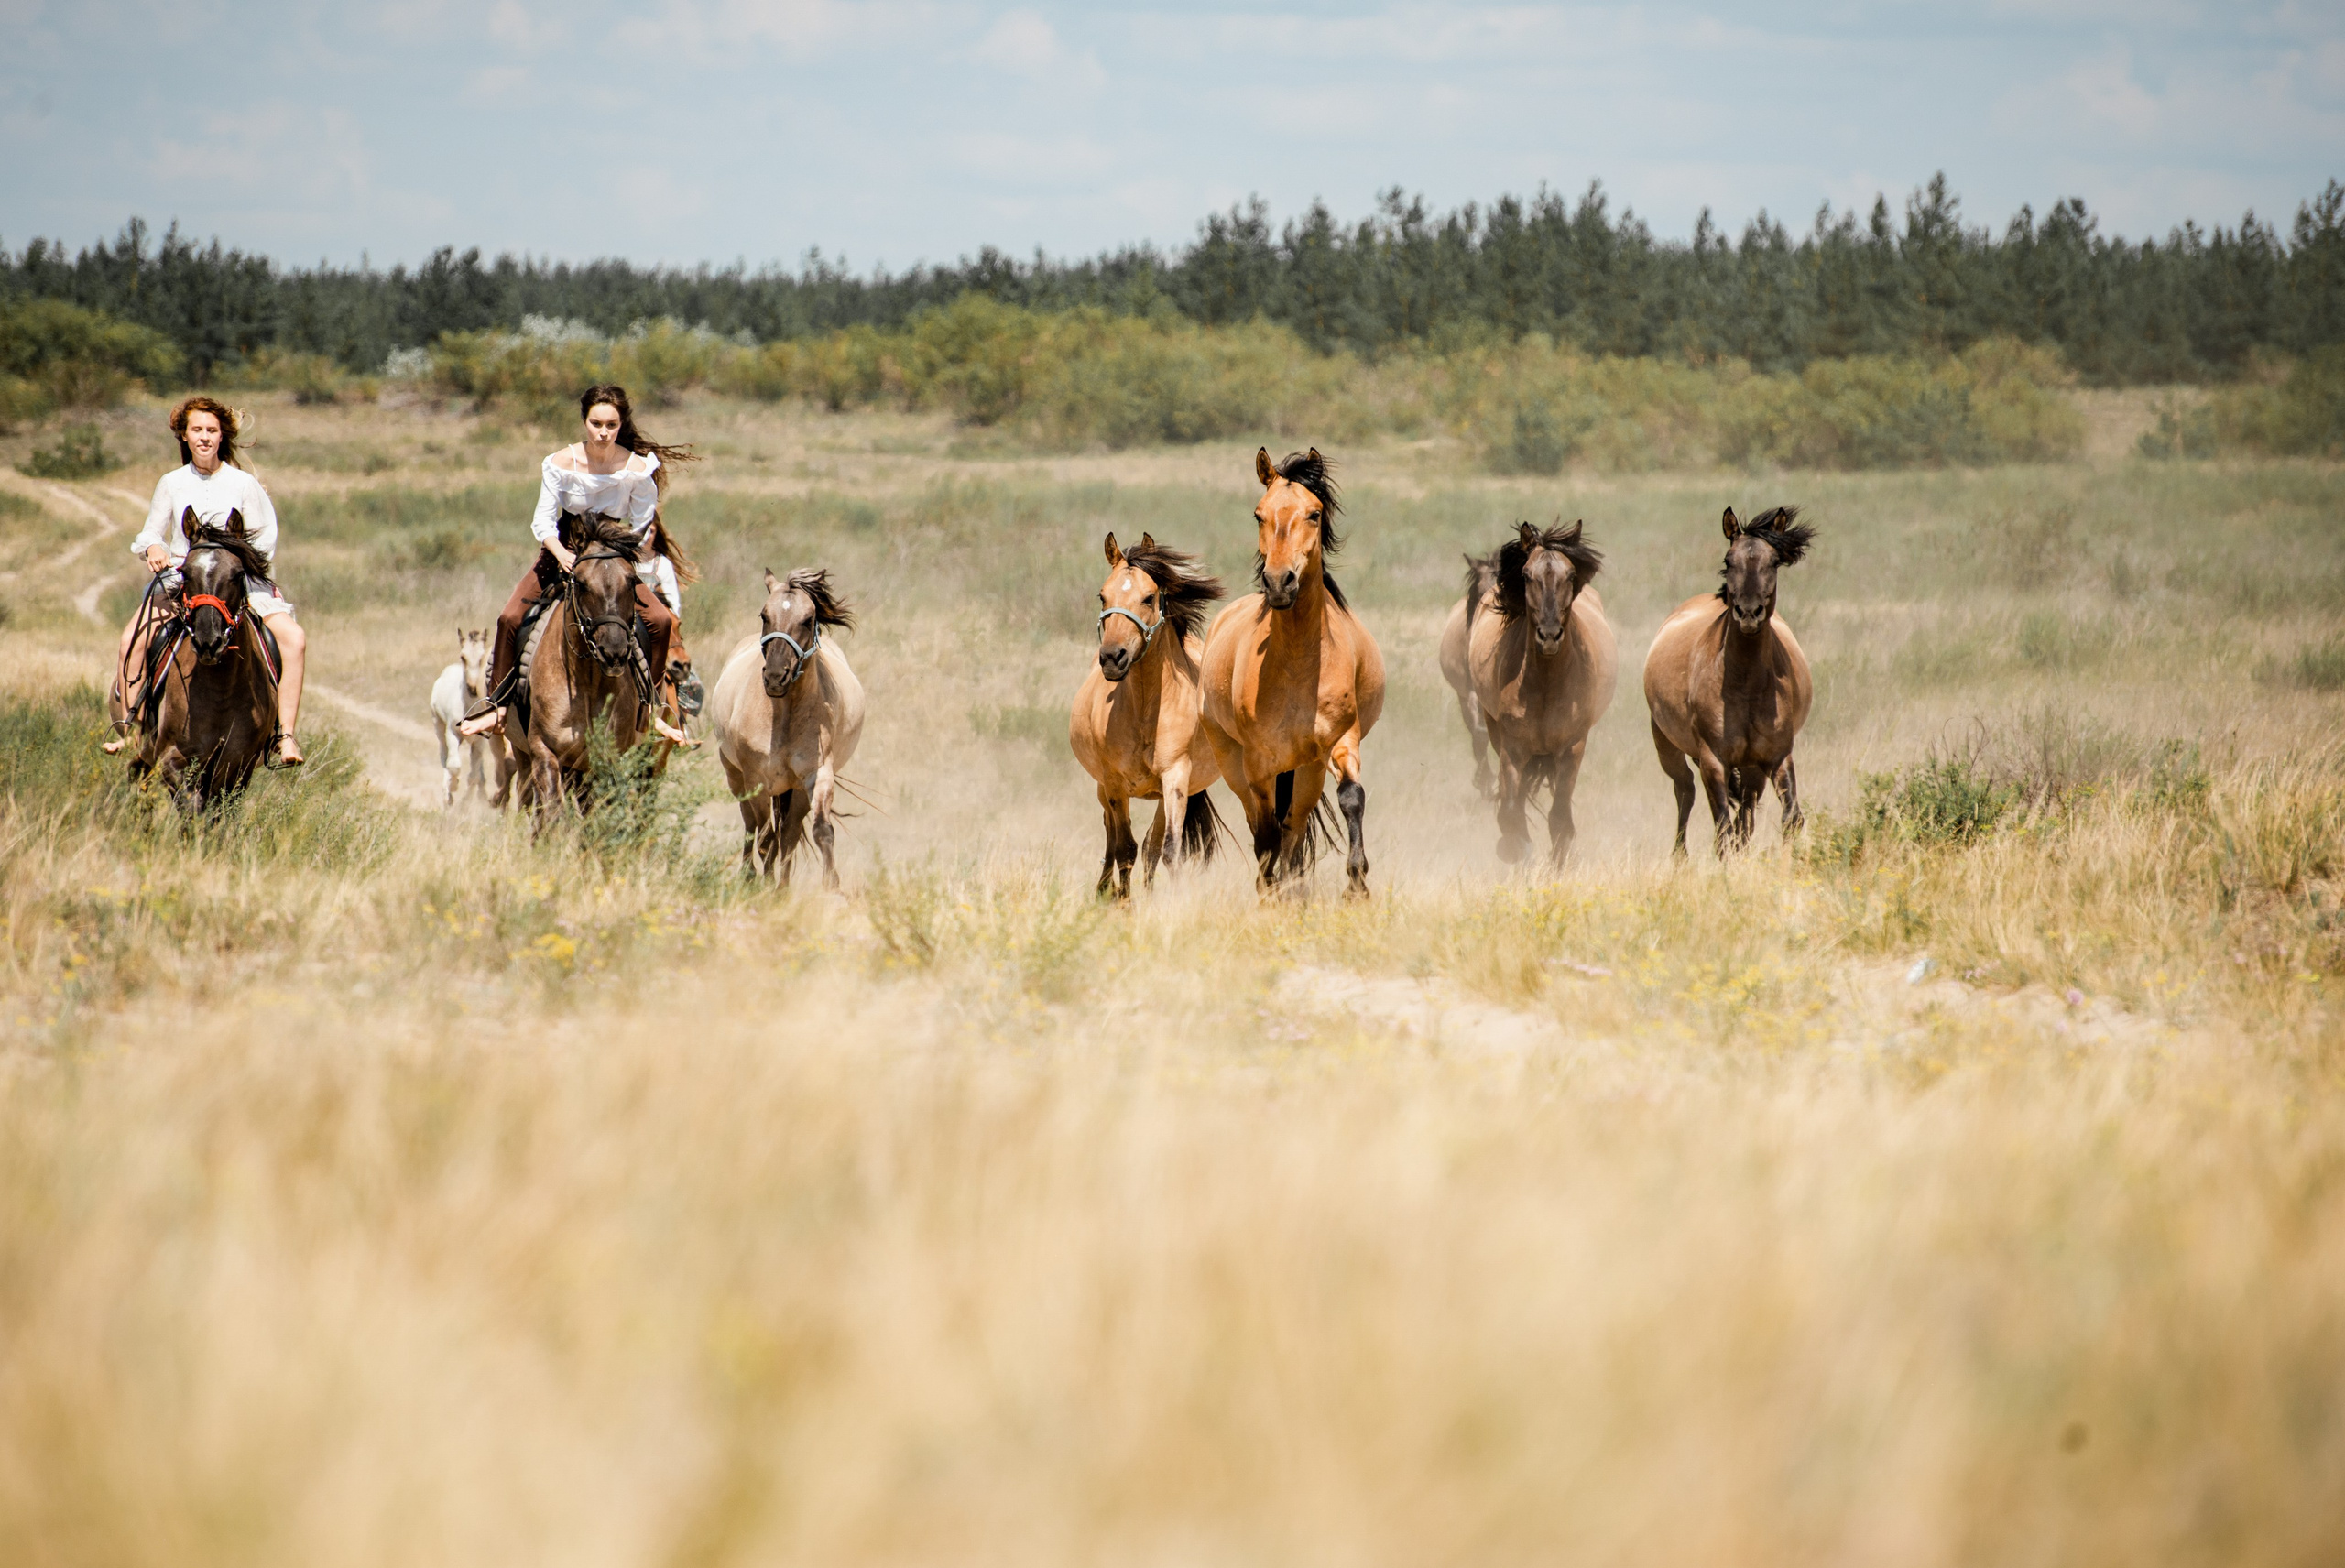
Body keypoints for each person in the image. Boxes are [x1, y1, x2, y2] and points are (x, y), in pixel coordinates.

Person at [460, 384, 693, 745]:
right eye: (596, 423)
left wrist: (622, 553)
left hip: (611, 558)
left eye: (611, 425)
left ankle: (653, 707)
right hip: (562, 552)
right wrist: (562, 554)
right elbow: (542, 522)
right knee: (509, 618)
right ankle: (496, 707)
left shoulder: (636, 468)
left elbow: (644, 521)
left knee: (661, 621)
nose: (603, 432)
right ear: (584, 421)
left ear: (621, 424)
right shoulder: (560, 463)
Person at [108, 397, 308, 767]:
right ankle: (131, 725)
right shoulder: (171, 483)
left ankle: (285, 736)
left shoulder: (244, 484)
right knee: (129, 640)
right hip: (183, 585)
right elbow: (152, 530)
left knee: (294, 640)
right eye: (197, 430)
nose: (204, 437)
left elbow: (265, 539)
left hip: (235, 586)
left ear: (221, 437)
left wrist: (235, 565)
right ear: (184, 436)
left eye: (211, 431)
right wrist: (154, 546)